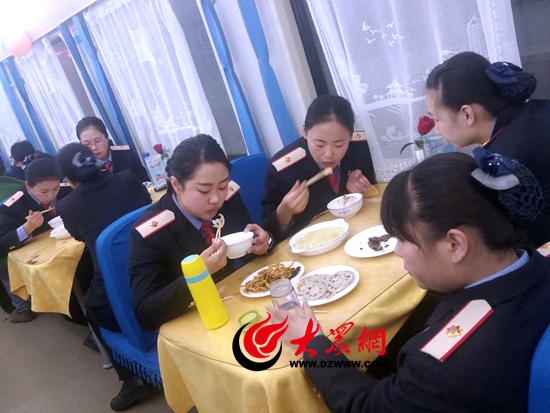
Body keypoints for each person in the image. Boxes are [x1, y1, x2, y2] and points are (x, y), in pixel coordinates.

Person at [267, 150, 550, 412]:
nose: (397, 250)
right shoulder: (536, 262)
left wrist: (311, 342)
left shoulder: (442, 368)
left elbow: (367, 406)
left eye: (402, 238)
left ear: (454, 244)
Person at [129, 134, 273, 331]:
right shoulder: (152, 232)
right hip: (198, 322)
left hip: (240, 303)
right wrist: (198, 275)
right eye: (204, 191)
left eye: (222, 186)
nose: (216, 199)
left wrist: (264, 242)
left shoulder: (228, 199)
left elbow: (249, 247)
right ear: (176, 185)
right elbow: (146, 314)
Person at [55, 143, 154, 411]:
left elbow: (79, 237)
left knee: (93, 310)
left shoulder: (67, 206)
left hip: (120, 280)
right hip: (157, 263)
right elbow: (148, 210)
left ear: (68, 179)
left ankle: (132, 380)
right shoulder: (128, 179)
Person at [426, 51, 550, 245]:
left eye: (436, 119)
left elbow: (512, 240)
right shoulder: (537, 110)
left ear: (467, 114)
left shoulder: (506, 160)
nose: (436, 129)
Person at [262, 95, 376, 242]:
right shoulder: (282, 169)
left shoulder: (360, 147)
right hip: (314, 243)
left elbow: (375, 195)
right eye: (320, 144)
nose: (328, 154)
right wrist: (285, 212)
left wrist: (358, 189)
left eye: (339, 144)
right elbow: (266, 235)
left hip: (360, 233)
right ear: (304, 132)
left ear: (350, 135)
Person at [0, 156, 72, 323]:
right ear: (28, 186)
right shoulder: (13, 207)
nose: (51, 195)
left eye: (55, 188)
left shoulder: (66, 190)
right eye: (43, 192)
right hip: (39, 262)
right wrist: (26, 229)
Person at [76, 116, 150, 183]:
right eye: (87, 144)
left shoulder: (125, 154)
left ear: (107, 137)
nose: (94, 148)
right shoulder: (84, 169)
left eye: (98, 141)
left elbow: (145, 180)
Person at [0, 157, 27, 315]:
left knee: (7, 278)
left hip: (4, 258)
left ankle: (22, 308)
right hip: (29, 242)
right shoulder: (19, 183)